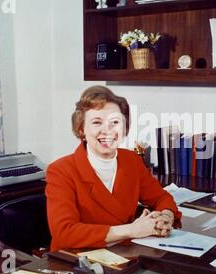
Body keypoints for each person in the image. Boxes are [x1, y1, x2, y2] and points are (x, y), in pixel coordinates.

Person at [46, 85, 182, 251]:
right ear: (81, 129)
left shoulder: (131, 160)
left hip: (124, 252)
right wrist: (132, 230)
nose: (107, 131)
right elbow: (65, 233)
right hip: (77, 259)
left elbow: (161, 198)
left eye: (115, 122)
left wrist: (165, 216)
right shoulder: (61, 170)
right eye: (97, 122)